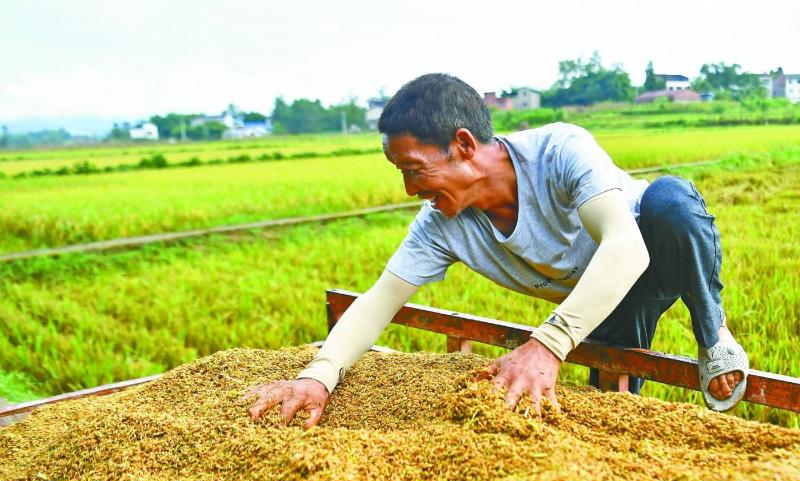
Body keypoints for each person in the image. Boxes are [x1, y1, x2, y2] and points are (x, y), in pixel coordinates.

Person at [245, 73, 748, 427]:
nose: (408, 189)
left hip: (653, 245)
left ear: (463, 144)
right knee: (612, 401)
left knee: (672, 200)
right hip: (601, 292)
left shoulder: (559, 151)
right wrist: (318, 377)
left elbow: (626, 246)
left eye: (415, 169)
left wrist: (547, 344)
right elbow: (380, 300)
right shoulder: (441, 223)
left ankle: (714, 334)